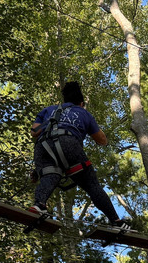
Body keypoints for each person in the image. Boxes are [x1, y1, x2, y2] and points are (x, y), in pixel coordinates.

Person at [29, 82, 127, 228]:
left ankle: (39, 206)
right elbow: (101, 140)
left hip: (43, 147)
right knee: (91, 183)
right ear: (81, 103)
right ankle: (116, 221)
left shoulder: (49, 110)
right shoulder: (84, 113)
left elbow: (34, 131)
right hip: (69, 143)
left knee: (51, 175)